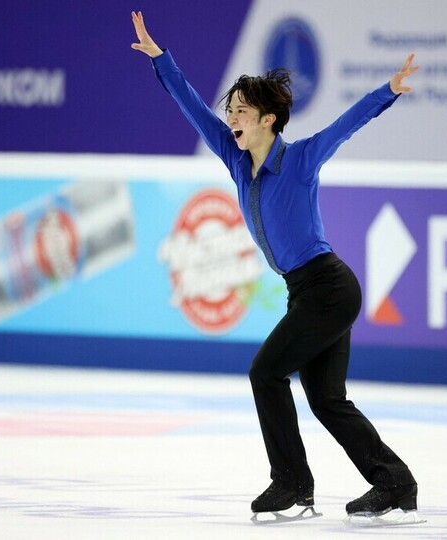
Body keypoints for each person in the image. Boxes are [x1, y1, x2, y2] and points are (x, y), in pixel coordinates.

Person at [131, 11, 420, 517]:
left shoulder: (301, 159)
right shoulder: (236, 160)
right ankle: (394, 482)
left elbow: (347, 124)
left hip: (329, 287)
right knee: (326, 399)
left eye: (241, 111)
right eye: (231, 111)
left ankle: (290, 482)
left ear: (268, 119)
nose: (232, 118)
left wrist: (388, 90)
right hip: (305, 292)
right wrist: (161, 59)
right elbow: (193, 108)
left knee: (265, 373)